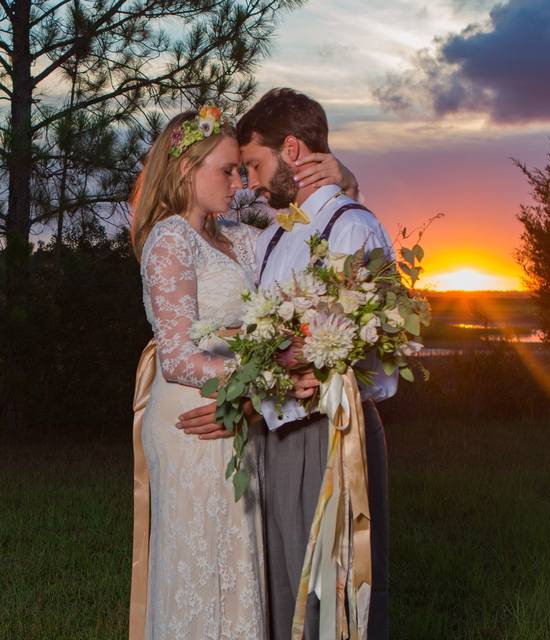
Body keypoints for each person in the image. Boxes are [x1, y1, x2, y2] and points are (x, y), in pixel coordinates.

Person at [128, 106, 357, 640]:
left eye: (240, 169)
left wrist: (344, 180)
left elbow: (309, 226)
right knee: (200, 564)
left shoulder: (235, 232)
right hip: (193, 417)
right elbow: (178, 357)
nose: (238, 182)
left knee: (236, 565)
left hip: (234, 413)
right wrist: (269, 382)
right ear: (186, 169)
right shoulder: (169, 240)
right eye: (226, 170)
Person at [177, 88, 393, 640]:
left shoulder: (350, 228)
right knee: (283, 591)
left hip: (331, 437)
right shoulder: (277, 233)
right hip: (275, 434)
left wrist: (255, 398)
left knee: (331, 593)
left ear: (292, 149)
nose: (246, 181)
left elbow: (369, 361)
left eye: (253, 164)